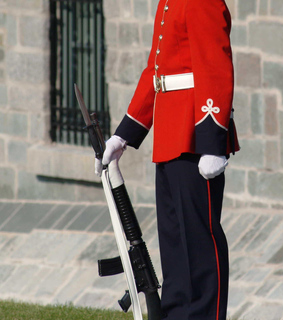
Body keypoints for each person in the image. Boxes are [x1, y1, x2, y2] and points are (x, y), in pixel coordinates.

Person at [95, 0, 239, 319]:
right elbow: (156, 71)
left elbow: (214, 66)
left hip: (194, 136)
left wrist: (212, 142)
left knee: (198, 244)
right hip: (171, 132)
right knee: (174, 245)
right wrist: (124, 135)